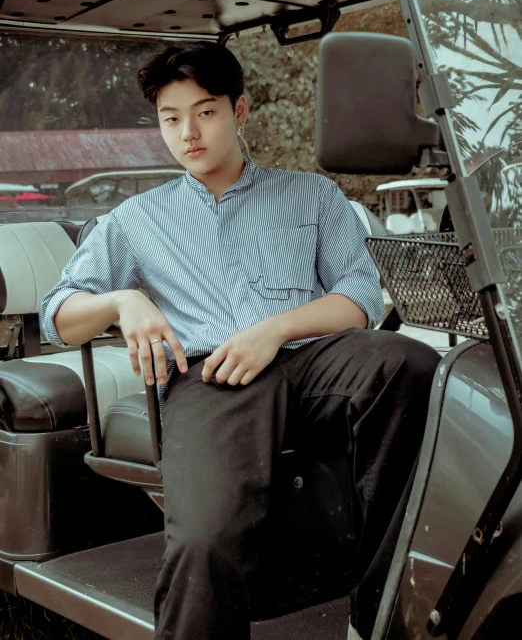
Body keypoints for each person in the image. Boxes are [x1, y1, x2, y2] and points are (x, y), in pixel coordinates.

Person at [40, 41, 440, 640]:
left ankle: (379, 615)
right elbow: (58, 316)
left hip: (312, 366)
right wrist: (125, 300)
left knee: (410, 363)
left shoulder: (313, 196)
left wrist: (273, 330)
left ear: (240, 110)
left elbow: (359, 300)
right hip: (212, 377)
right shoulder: (136, 220)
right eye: (171, 119)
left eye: (205, 112)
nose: (188, 133)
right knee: (204, 541)